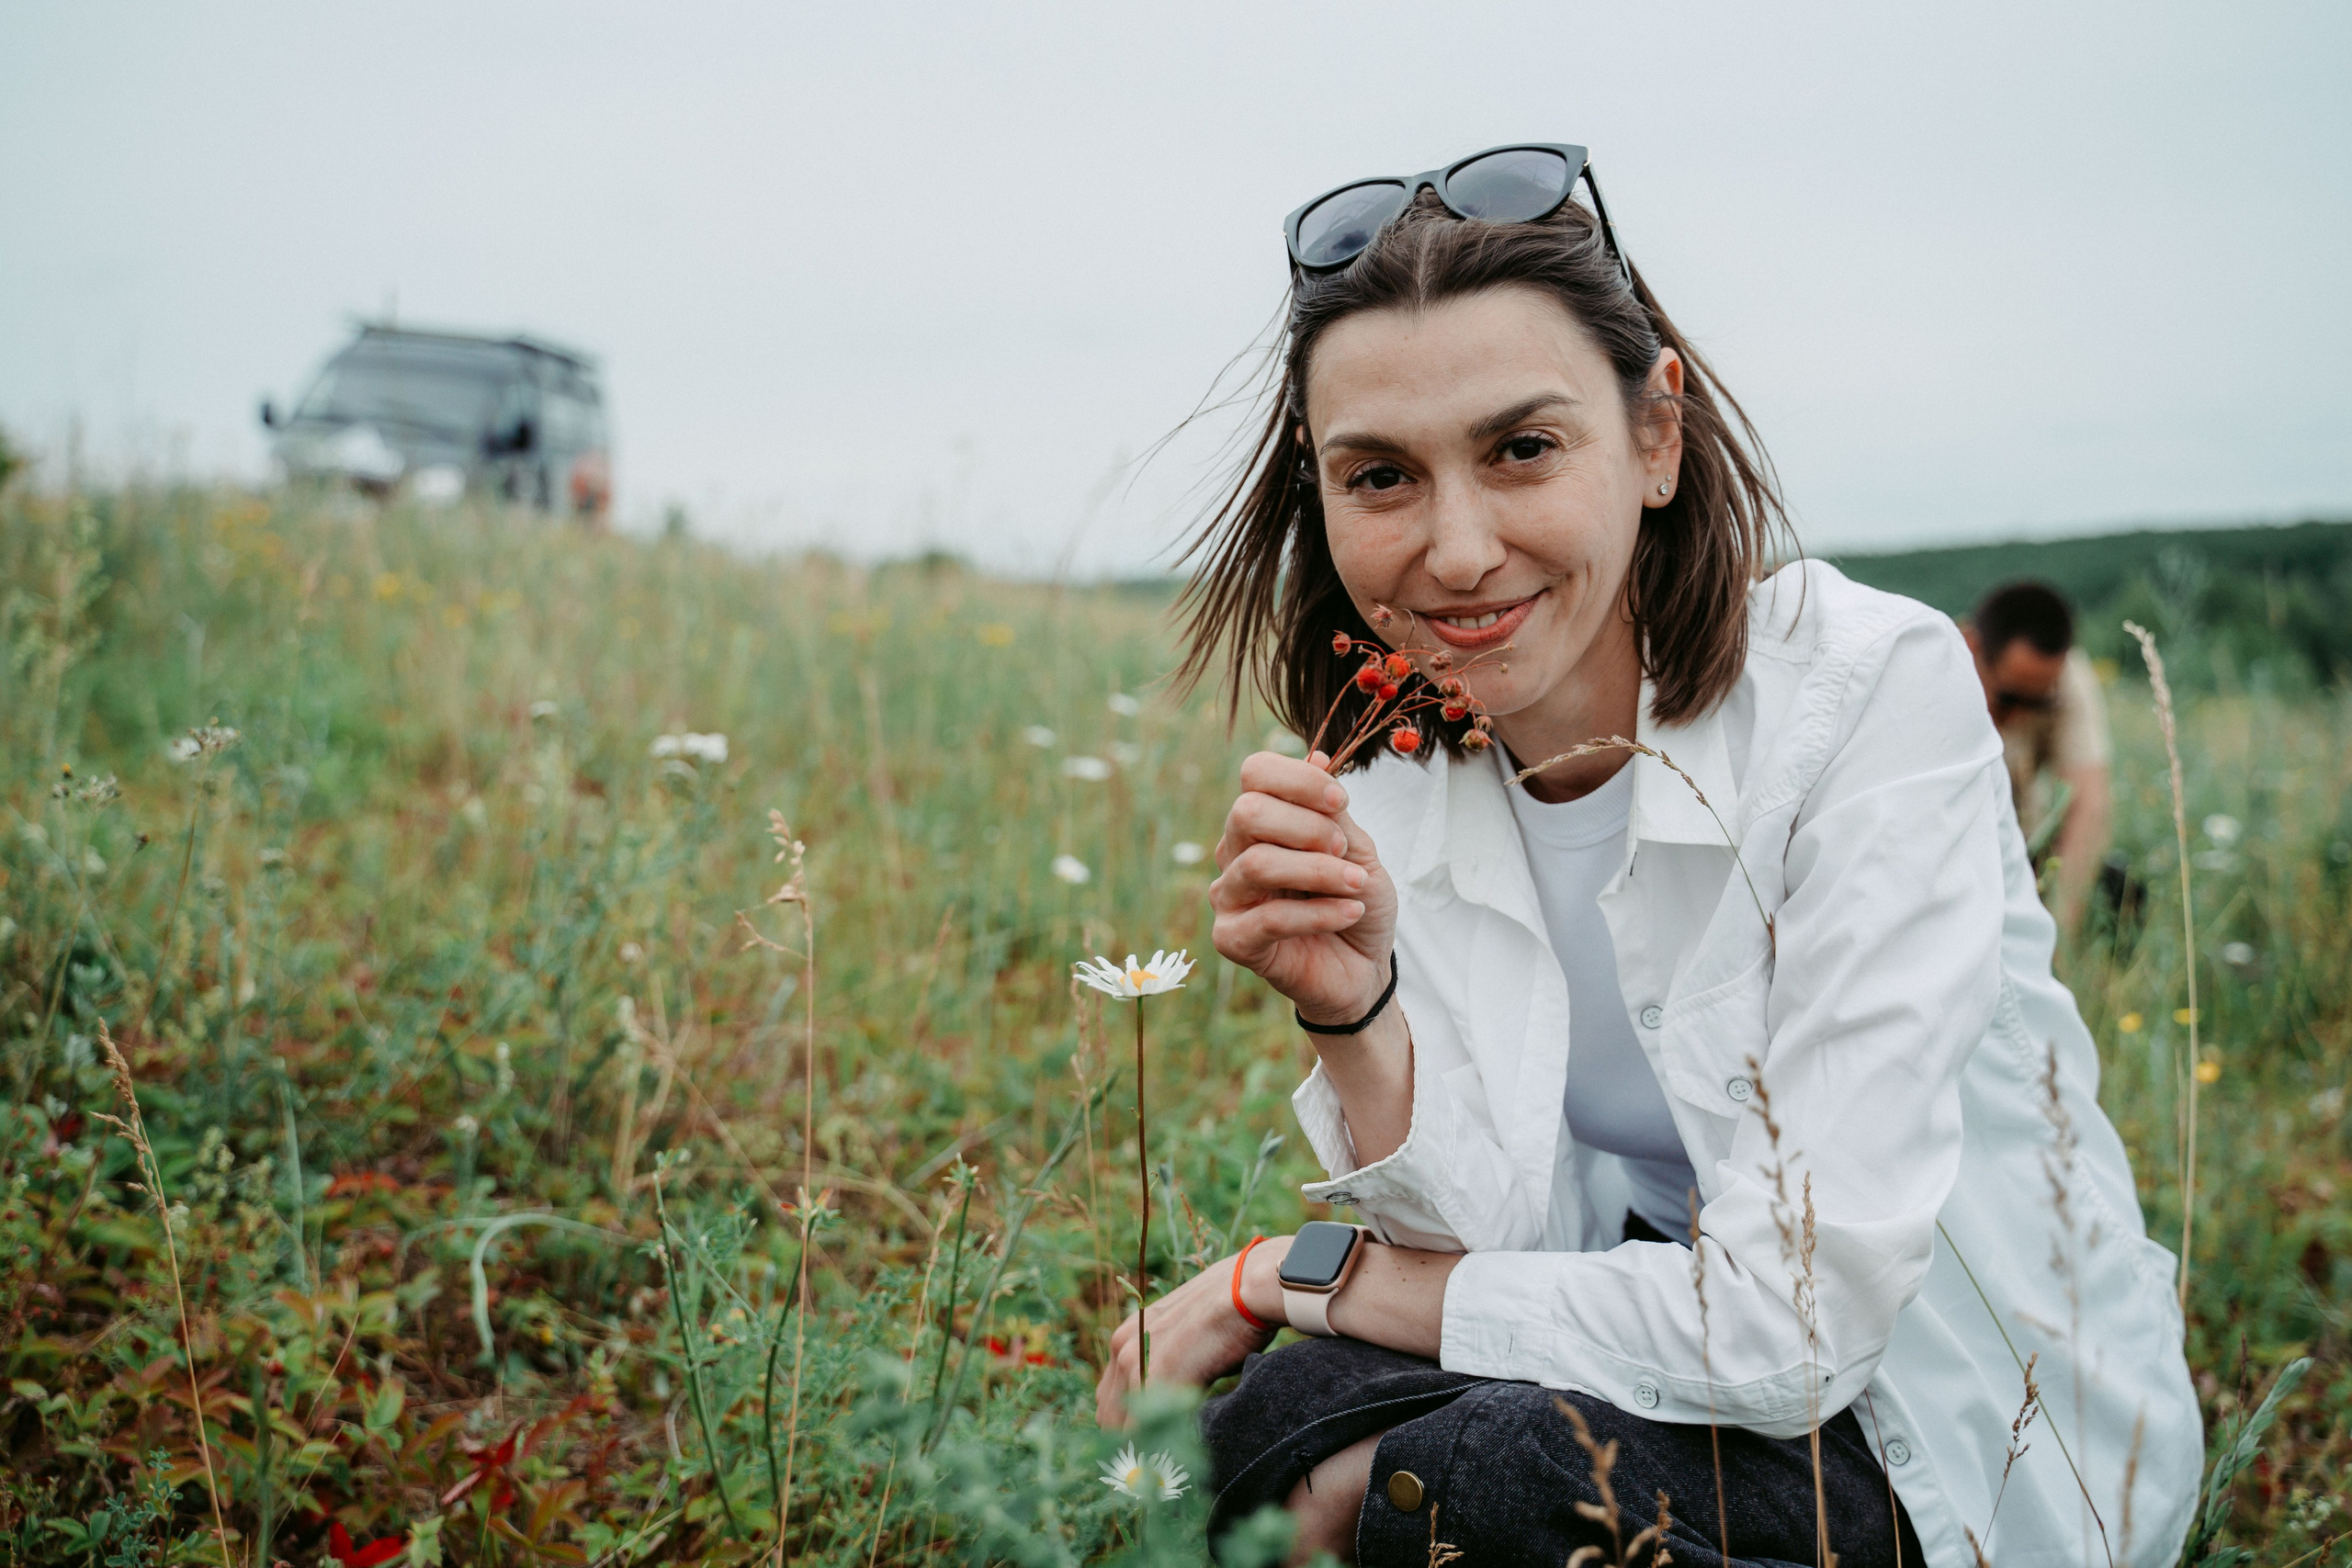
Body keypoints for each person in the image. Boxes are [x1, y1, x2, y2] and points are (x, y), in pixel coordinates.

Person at [1092, 145, 2198, 1566]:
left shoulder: (1864, 698)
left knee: (1451, 1477)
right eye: (1380, 475)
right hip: (1652, 1338)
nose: (1457, 549)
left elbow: (1795, 1331)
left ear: (1656, 436)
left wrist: (1288, 1272)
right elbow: (1497, 1241)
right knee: (1263, 1431)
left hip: (1948, 1433)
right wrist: (1352, 1009)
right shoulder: (1399, 772)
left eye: (1522, 448)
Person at [1962, 581, 2114, 932]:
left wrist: (2059, 929)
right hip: (1953, 849)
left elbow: (2088, 805)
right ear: (1971, 646)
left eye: (2038, 704)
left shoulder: (2068, 678)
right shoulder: (1933, 670)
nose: (2019, 717)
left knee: (2116, 893)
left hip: (2018, 846)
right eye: (2009, 699)